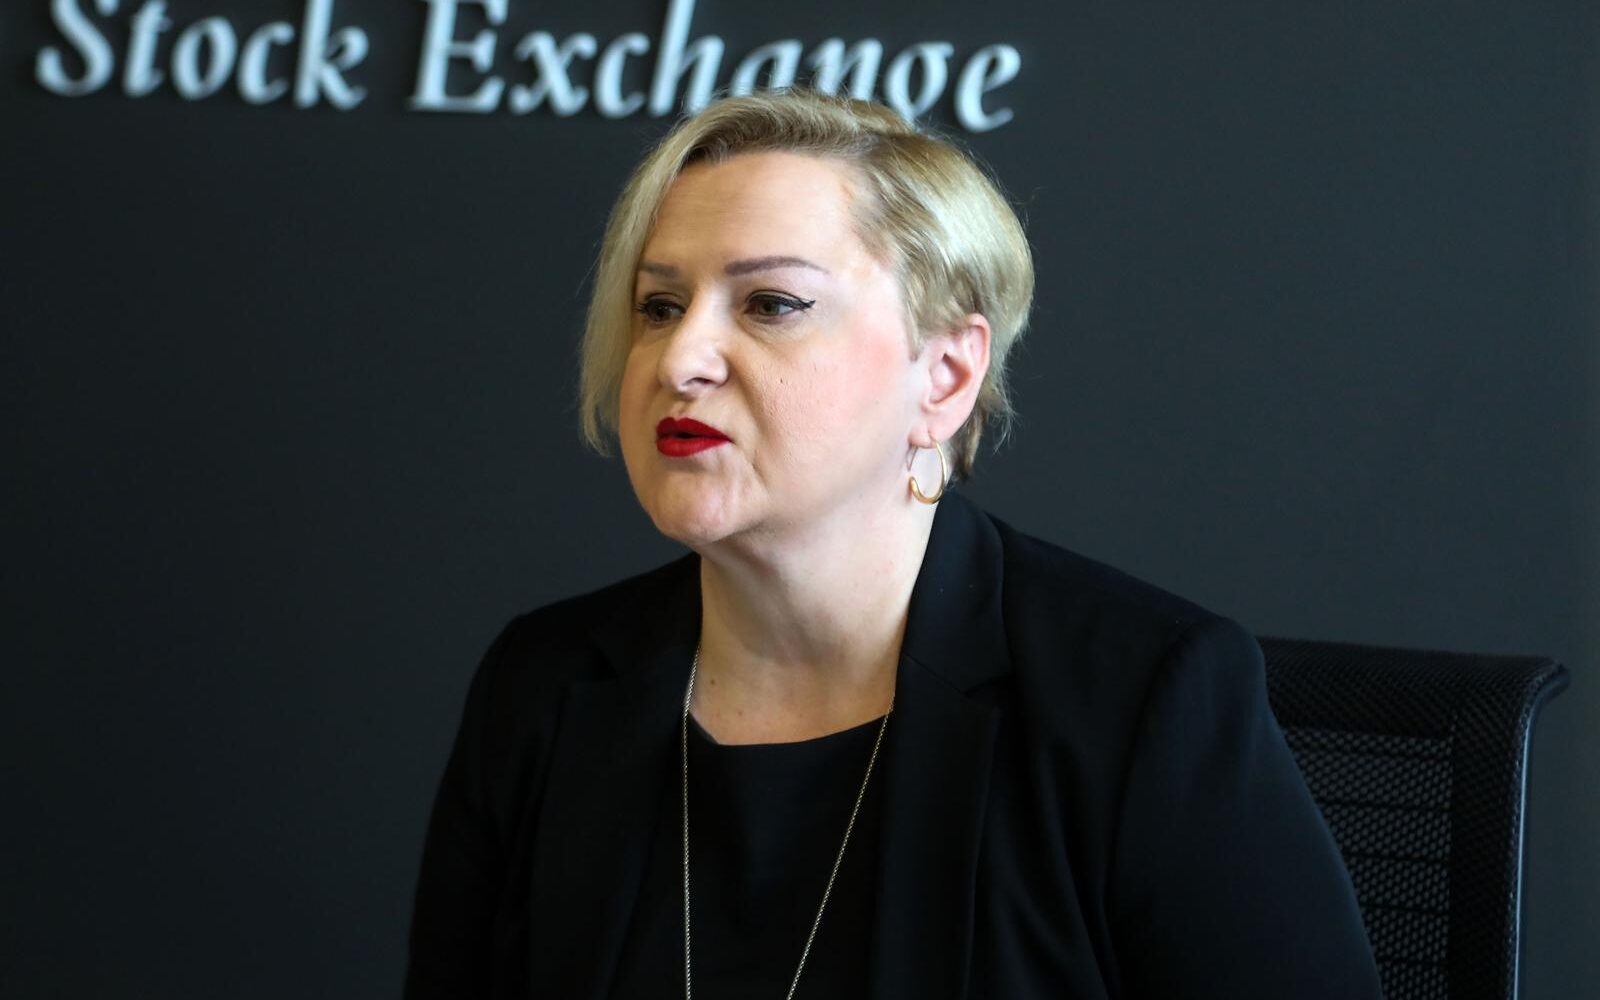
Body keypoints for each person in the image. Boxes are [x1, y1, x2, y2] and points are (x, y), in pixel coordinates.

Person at [403, 88, 1383, 1000]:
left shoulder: (1142, 701)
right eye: (659, 306)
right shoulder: (545, 684)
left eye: (770, 303)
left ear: (944, 376)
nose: (681, 358)